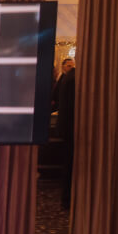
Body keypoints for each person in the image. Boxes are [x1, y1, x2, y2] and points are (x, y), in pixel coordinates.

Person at [52, 58, 76, 209]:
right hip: (71, 128)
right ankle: (67, 199)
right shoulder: (73, 79)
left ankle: (66, 199)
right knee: (69, 164)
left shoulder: (68, 78)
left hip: (66, 128)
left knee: (68, 163)